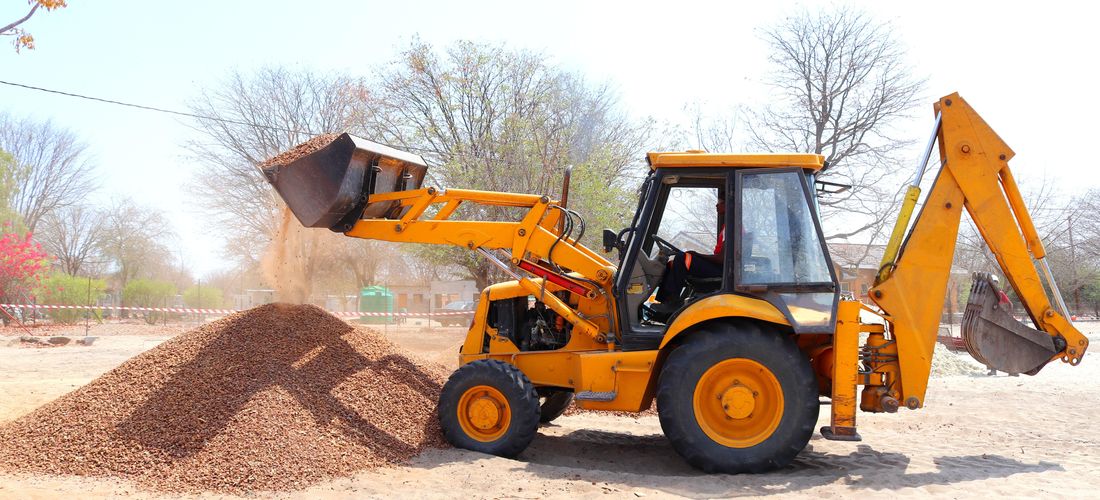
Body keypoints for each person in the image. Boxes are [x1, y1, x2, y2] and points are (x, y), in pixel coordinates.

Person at [651, 198, 726, 316]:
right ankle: (664, 302)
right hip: (719, 267)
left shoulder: (732, 227)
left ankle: (673, 302)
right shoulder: (727, 226)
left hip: (723, 270)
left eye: (719, 202)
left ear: (727, 204)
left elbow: (721, 259)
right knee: (672, 263)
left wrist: (696, 254)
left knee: (682, 258)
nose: (716, 205)